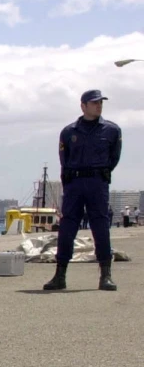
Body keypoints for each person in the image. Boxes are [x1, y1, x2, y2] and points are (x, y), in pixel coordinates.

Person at [45, 89, 121, 291]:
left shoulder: (112, 130)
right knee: (67, 228)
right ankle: (59, 275)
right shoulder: (69, 132)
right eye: (94, 103)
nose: (99, 106)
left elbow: (114, 158)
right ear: (83, 106)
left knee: (101, 228)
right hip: (75, 184)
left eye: (101, 103)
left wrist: (99, 173)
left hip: (97, 182)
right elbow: (64, 160)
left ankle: (105, 275)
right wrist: (70, 182)